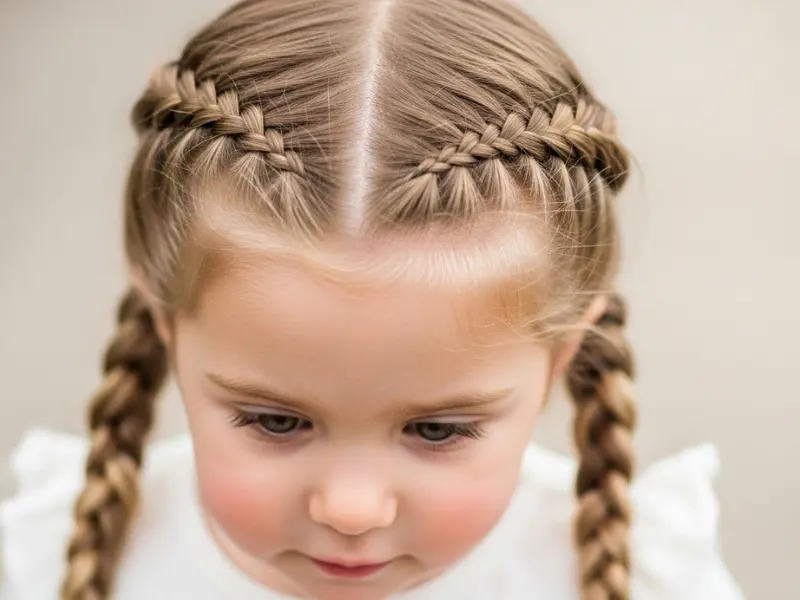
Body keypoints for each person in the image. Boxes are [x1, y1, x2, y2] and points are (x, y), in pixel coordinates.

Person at [0, 0, 746, 599]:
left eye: (437, 430)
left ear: (563, 356)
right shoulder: (47, 562)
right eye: (276, 420)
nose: (352, 510)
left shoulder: (638, 577)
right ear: (165, 324)